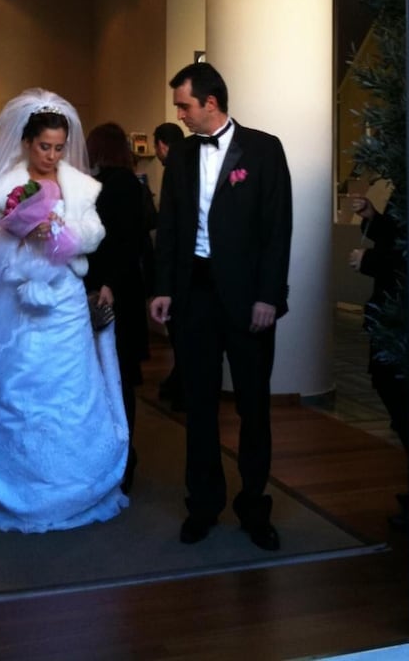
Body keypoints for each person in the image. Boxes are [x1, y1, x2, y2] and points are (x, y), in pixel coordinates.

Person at [0, 89, 129, 533]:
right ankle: (18, 481)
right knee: (19, 384)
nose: (53, 155)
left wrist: (65, 234)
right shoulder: (6, 188)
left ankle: (72, 482)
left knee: (72, 385)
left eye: (60, 148)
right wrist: (23, 233)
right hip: (20, 300)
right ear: (27, 143)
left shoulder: (79, 185)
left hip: (65, 300)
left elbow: (95, 233)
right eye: (45, 146)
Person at [150, 62, 292, 550]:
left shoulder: (265, 149)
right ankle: (203, 505)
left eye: (184, 105)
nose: (179, 114)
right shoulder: (182, 155)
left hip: (249, 300)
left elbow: (278, 228)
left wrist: (268, 296)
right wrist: (163, 287)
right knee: (200, 406)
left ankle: (254, 507)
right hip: (194, 297)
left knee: (254, 407)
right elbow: (169, 224)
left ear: (210, 102)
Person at [85, 121, 151, 494]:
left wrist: (107, 283)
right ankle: (117, 456)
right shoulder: (122, 182)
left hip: (114, 292)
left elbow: (125, 242)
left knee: (117, 375)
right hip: (116, 288)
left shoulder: (118, 184)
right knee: (114, 376)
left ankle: (124, 457)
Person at [349, 190, 409, 529]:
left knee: (397, 393)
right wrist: (373, 217)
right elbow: (401, 236)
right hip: (392, 316)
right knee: (389, 386)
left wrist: (370, 261)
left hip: (399, 317)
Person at [152, 121, 187, 410]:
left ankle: (182, 387)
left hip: (179, 271)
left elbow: (167, 227)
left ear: (161, 145)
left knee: (181, 335)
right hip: (189, 270)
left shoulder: (174, 169)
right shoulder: (191, 162)